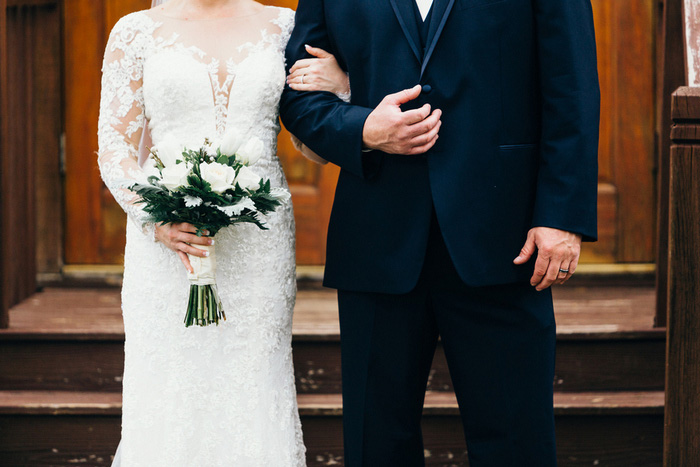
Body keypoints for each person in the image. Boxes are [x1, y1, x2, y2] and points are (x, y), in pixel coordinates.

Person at [280, 0, 600, 465]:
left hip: (503, 237)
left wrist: (562, 215)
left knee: (516, 441)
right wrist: (363, 128)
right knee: (377, 444)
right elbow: (298, 94)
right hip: (377, 238)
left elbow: (571, 85)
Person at [97, 0, 350, 465]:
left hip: (259, 244)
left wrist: (344, 90)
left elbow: (311, 143)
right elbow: (114, 147)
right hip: (168, 243)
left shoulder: (285, 27)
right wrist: (158, 219)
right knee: (169, 386)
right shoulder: (135, 32)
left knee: (253, 379)